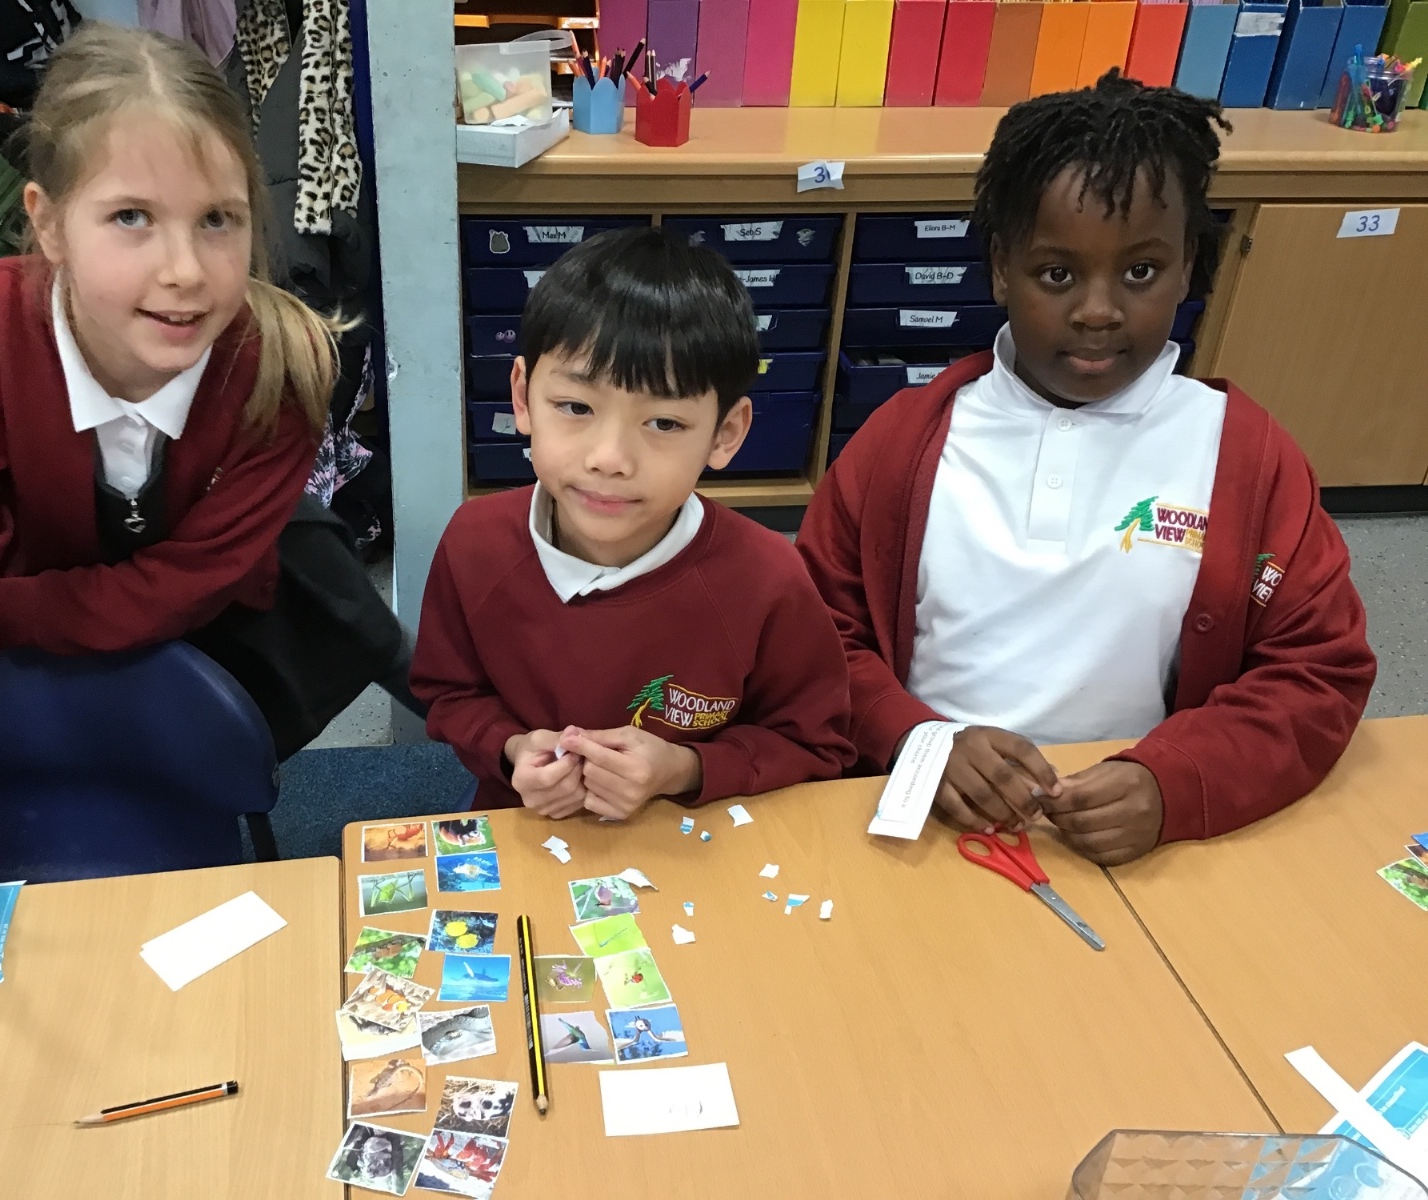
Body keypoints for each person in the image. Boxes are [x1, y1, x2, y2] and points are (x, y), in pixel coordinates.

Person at [0, 23, 410, 1016]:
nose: (185, 269)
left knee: (190, 716)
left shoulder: (276, 373)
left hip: (195, 611)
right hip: (27, 573)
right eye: (132, 218)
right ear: (49, 224)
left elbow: (167, 596)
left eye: (219, 220)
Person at [796, 73, 1375, 865]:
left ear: (1187, 265)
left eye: (1140, 273)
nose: (1098, 311)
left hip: (1132, 839)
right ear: (1002, 269)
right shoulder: (904, 443)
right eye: (1057, 274)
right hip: (922, 824)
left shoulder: (1247, 457)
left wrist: (1175, 781)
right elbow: (814, 636)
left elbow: (1318, 671)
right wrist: (917, 738)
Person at [412, 227, 856, 817]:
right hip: (522, 818)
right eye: (575, 407)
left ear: (725, 434)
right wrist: (512, 748)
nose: (610, 459)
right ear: (522, 398)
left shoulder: (768, 577)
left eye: (664, 423)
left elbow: (815, 743)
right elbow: (449, 693)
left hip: (695, 832)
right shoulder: (475, 542)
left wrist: (685, 768)